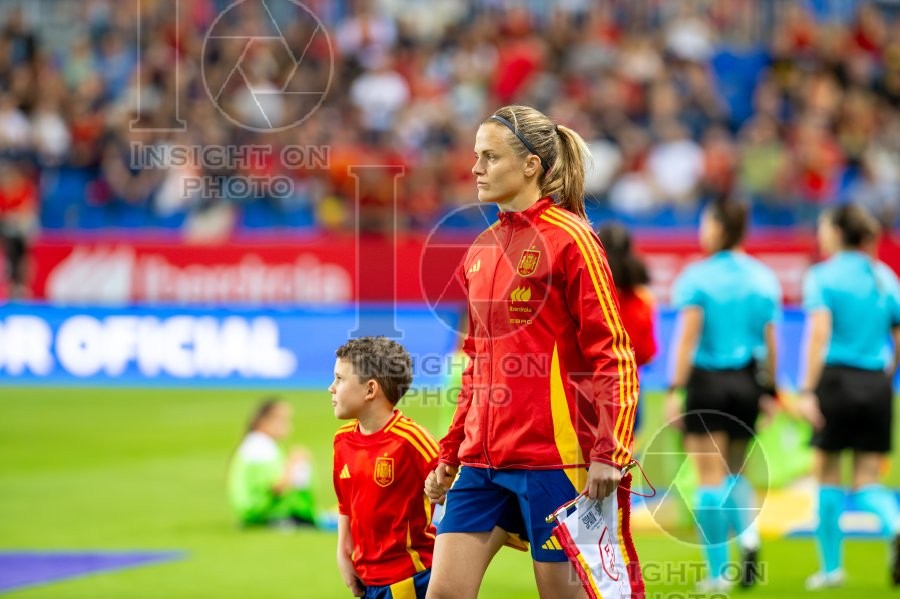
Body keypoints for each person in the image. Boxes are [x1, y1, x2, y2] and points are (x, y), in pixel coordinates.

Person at [424, 105, 643, 599]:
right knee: (442, 594)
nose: (476, 168)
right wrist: (450, 451)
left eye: (489, 157)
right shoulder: (480, 249)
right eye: (475, 156)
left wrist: (610, 451)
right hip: (481, 461)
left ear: (530, 166)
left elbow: (613, 353)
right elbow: (476, 366)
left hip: (554, 461)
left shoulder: (573, 240)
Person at [665, 199, 781, 592]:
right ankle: (748, 537)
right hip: (748, 383)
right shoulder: (763, 277)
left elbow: (687, 336)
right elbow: (770, 340)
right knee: (736, 472)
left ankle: (717, 574)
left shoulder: (698, 276)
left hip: (707, 382)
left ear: (716, 226)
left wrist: (673, 388)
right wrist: (771, 390)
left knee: (707, 478)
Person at [798, 204, 900, 590]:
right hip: (876, 380)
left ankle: (830, 570)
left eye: (824, 227)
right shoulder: (884, 276)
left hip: (836, 380)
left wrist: (808, 389)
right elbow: (898, 333)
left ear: (838, 232)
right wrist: (887, 376)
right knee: (867, 479)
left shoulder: (823, 276)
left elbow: (819, 333)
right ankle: (895, 524)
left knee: (826, 475)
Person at [331, 336, 438, 599]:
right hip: (368, 579)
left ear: (370, 390)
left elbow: (457, 493)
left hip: (411, 578)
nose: (331, 388)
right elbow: (346, 504)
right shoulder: (342, 440)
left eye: (340, 379)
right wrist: (343, 551)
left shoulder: (412, 441)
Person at [597, 222, 658, 433]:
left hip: (588, 386)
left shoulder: (588, 294)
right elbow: (647, 353)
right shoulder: (643, 299)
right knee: (626, 459)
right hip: (627, 388)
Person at [227, 397, 316, 528]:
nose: (288, 425)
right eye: (282, 420)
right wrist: (293, 463)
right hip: (262, 515)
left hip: (259, 514)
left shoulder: (260, 444)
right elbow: (277, 487)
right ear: (264, 422)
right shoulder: (259, 447)